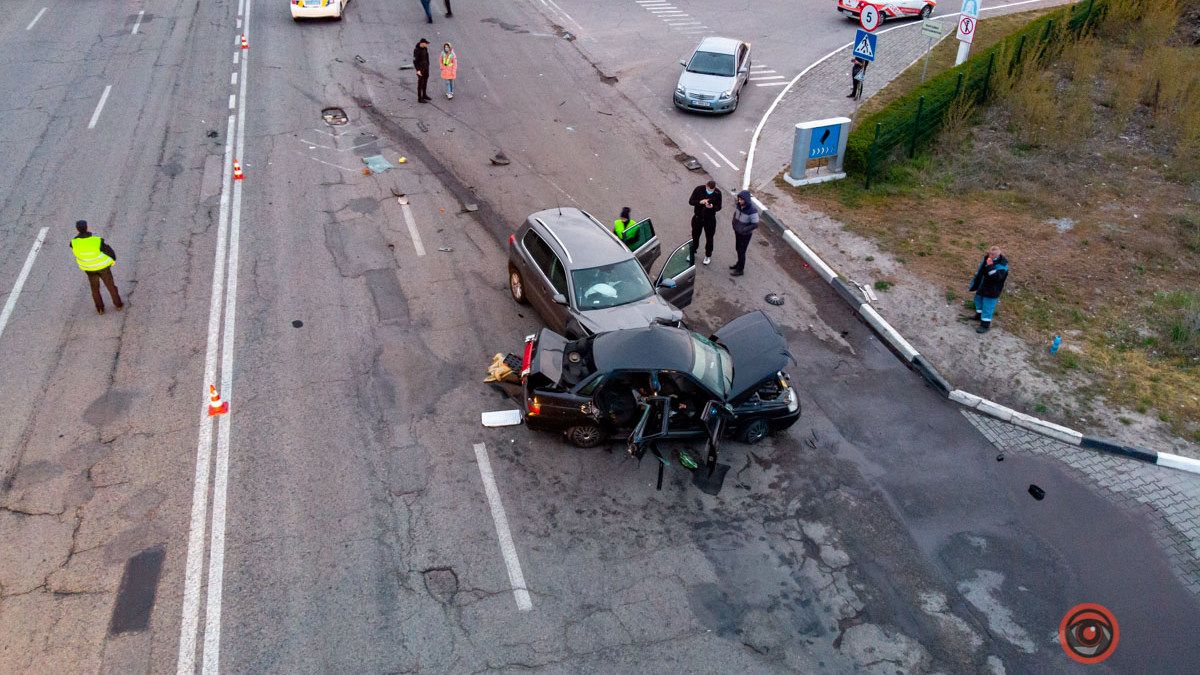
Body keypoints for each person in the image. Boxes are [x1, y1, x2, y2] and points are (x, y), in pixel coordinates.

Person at [70, 220, 124, 315]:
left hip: (89, 269)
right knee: (111, 286)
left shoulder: (73, 242)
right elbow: (108, 250)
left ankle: (100, 309)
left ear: (77, 229)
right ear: (87, 227)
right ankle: (118, 304)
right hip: (103, 268)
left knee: (95, 289)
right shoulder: (96, 240)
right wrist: (113, 259)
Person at [968, 245, 1009, 334]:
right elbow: (981, 270)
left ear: (998, 255)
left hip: (992, 290)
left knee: (988, 306)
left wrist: (990, 266)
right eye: (989, 253)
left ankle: (985, 325)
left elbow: (996, 278)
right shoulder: (987, 258)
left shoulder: (1003, 265)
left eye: (992, 254)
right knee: (978, 300)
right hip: (983, 285)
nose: (990, 255)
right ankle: (978, 315)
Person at [688, 180, 722, 265]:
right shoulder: (699, 189)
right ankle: (693, 251)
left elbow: (719, 207)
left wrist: (712, 207)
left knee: (709, 238)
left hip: (710, 219)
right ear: (706, 185)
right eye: (709, 189)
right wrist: (700, 202)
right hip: (698, 217)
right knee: (695, 236)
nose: (711, 191)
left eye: (712, 190)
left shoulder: (718, 193)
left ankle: (708, 255)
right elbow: (691, 201)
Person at [729, 191, 758, 277]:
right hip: (737, 232)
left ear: (746, 200)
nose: (739, 201)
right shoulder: (739, 205)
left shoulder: (752, 210)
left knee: (742, 251)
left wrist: (744, 229)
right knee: (738, 249)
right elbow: (736, 214)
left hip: (745, 235)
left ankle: (740, 270)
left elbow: (755, 224)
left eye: (741, 199)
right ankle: (738, 264)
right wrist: (734, 223)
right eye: (739, 199)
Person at [413, 39, 431, 103]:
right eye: (426, 43)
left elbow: (427, 56)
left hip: (426, 67)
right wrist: (418, 70)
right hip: (420, 69)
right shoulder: (416, 50)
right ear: (422, 43)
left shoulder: (425, 48)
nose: (427, 45)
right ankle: (419, 98)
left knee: (425, 81)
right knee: (420, 83)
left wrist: (428, 64)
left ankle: (424, 95)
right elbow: (415, 61)